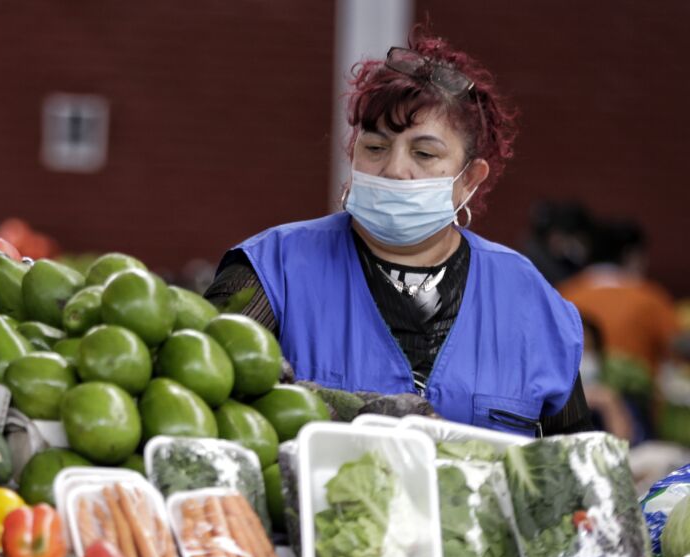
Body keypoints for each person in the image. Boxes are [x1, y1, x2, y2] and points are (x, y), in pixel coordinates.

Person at [205, 31, 589, 436]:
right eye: (375, 147)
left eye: (424, 154)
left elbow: (574, 464)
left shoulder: (530, 300)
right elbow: (202, 393)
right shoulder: (272, 271)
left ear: (469, 179)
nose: (393, 169)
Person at [560, 219, 677, 378]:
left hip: (572, 397)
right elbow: (677, 353)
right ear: (631, 255)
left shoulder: (563, 294)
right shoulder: (651, 299)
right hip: (636, 398)